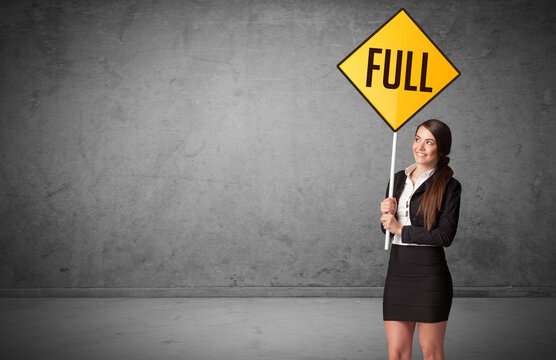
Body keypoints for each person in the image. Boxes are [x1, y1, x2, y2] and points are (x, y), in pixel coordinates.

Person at [380, 119, 462, 360]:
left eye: (429, 142)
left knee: (432, 354)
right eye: (418, 139)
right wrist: (386, 216)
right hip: (398, 271)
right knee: (397, 353)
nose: (420, 147)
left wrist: (399, 229)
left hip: (430, 276)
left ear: (442, 149)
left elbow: (444, 236)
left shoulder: (450, 186)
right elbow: (387, 231)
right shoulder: (397, 179)